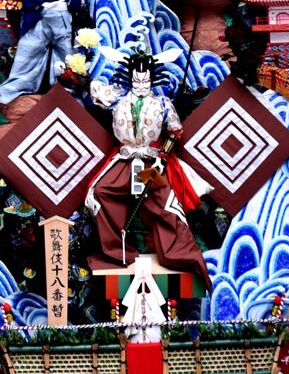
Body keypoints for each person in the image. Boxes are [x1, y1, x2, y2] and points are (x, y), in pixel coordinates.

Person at [85, 50, 210, 282]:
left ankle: (178, 254)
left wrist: (164, 156)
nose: (140, 84)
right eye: (136, 80)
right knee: (101, 192)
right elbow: (93, 89)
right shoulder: (118, 98)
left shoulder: (162, 103)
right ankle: (118, 251)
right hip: (124, 159)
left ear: (152, 80)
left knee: (164, 204)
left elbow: (175, 131)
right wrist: (78, 76)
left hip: (151, 163)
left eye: (145, 80)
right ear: (129, 79)